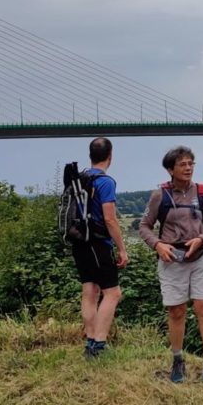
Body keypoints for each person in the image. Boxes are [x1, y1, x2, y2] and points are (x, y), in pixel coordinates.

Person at [139, 146, 203, 383]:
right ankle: (177, 360)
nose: (188, 168)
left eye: (191, 164)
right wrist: (157, 245)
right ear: (170, 169)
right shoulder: (159, 195)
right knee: (176, 311)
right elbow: (144, 226)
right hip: (171, 258)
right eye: (183, 164)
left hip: (200, 256)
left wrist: (202, 239)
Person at [74, 137, 129, 359]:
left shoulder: (79, 179)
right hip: (98, 242)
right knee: (113, 293)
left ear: (90, 155)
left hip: (79, 241)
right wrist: (122, 249)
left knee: (89, 291)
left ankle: (89, 342)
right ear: (110, 156)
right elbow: (110, 219)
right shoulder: (106, 182)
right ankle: (99, 344)